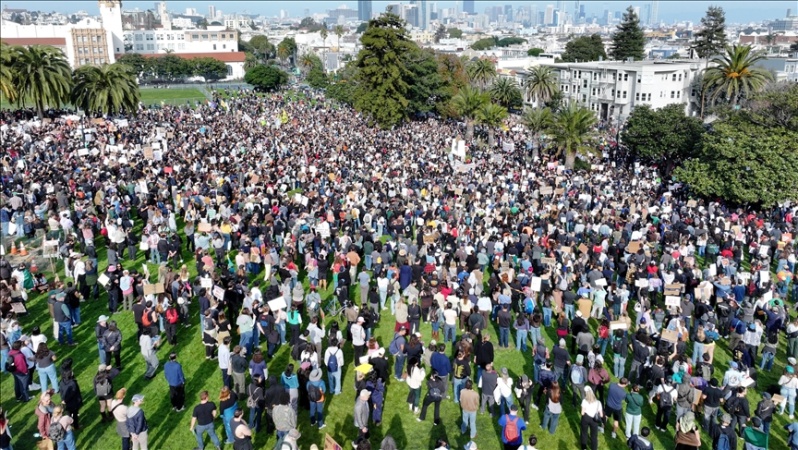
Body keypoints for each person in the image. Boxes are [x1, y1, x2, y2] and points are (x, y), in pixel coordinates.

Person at [580, 386, 603, 450]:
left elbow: (582, 413)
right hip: (594, 420)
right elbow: (601, 415)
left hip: (586, 418)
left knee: (584, 433)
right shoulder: (598, 402)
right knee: (594, 436)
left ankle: (584, 448)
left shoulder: (584, 401)